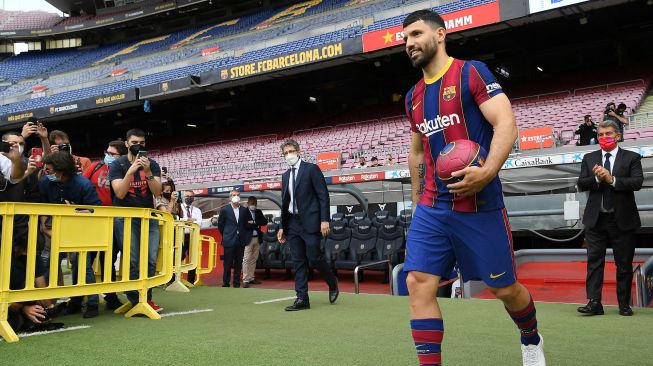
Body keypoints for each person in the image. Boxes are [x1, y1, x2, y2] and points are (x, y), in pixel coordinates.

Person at [401, 10, 545, 366]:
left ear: (440, 35)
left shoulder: (471, 72)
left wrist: (488, 170)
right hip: (433, 208)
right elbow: (418, 151)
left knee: (503, 289)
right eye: (405, 38)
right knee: (418, 282)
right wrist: (419, 201)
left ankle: (530, 337)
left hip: (480, 205)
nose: (409, 43)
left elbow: (506, 122)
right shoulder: (413, 97)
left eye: (416, 34)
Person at [576, 120, 642, 317]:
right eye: (601, 134)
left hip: (623, 219)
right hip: (596, 220)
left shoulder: (632, 157)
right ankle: (594, 302)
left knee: (623, 264)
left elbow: (637, 182)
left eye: (608, 133)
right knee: (594, 261)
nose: (604, 137)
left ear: (618, 136)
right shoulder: (589, 158)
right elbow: (581, 183)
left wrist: (611, 179)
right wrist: (597, 178)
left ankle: (624, 305)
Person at [39, 151, 102, 318]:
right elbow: (42, 206)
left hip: (81, 232)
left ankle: (92, 303)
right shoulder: (45, 182)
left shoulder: (83, 185)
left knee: (84, 267)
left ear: (62, 170)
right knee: (49, 265)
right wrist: (45, 227)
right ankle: (47, 305)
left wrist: (76, 211)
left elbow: (96, 211)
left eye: (50, 170)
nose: (47, 173)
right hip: (53, 231)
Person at [277, 139, 339, 311]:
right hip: (293, 223)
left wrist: (324, 219)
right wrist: (282, 226)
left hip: (311, 222)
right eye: (285, 153)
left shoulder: (311, 169)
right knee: (298, 261)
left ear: (298, 151)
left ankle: (332, 281)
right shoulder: (285, 176)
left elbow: (323, 196)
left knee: (314, 257)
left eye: (290, 151)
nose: (288, 155)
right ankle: (302, 298)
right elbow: (285, 203)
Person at [109, 128, 163, 312]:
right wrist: (130, 172)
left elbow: (157, 192)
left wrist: (147, 171)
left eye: (141, 142)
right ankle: (136, 300)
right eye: (134, 142)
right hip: (125, 217)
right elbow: (120, 193)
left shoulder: (152, 164)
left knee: (150, 259)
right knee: (133, 259)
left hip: (148, 216)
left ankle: (146, 298)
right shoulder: (118, 165)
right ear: (126, 144)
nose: (138, 146)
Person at [81, 140, 128, 311]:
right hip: (92, 221)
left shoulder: (124, 170)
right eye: (106, 152)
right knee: (88, 259)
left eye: (112, 154)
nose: (107, 156)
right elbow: (81, 185)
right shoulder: (94, 167)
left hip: (113, 221)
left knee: (109, 259)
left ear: (121, 156)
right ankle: (82, 298)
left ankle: (111, 296)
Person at [217, 190, 256, 288]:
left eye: (238, 195)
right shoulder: (225, 210)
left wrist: (245, 236)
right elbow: (220, 225)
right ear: (230, 197)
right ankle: (226, 284)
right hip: (229, 240)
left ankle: (237, 284)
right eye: (234, 195)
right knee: (228, 264)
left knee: (238, 264)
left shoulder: (244, 210)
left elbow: (247, 224)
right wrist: (227, 234)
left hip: (240, 241)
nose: (236, 197)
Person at [242, 196, 267, 288]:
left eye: (255, 203)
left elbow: (264, 222)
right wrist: (256, 223)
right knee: (246, 259)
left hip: (257, 238)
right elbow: (244, 225)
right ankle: (245, 279)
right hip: (248, 238)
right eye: (252, 203)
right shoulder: (243, 212)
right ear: (248, 203)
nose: (254, 205)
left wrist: (253, 222)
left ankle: (251, 277)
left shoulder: (258, 212)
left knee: (254, 258)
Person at [180, 190, 202, 284]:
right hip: (180, 235)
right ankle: (175, 279)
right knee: (179, 257)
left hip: (193, 235)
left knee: (193, 259)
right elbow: (179, 219)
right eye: (187, 196)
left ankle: (191, 281)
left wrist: (187, 221)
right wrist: (189, 220)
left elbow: (199, 223)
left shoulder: (197, 210)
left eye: (191, 196)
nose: (189, 198)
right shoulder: (179, 207)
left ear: (193, 198)